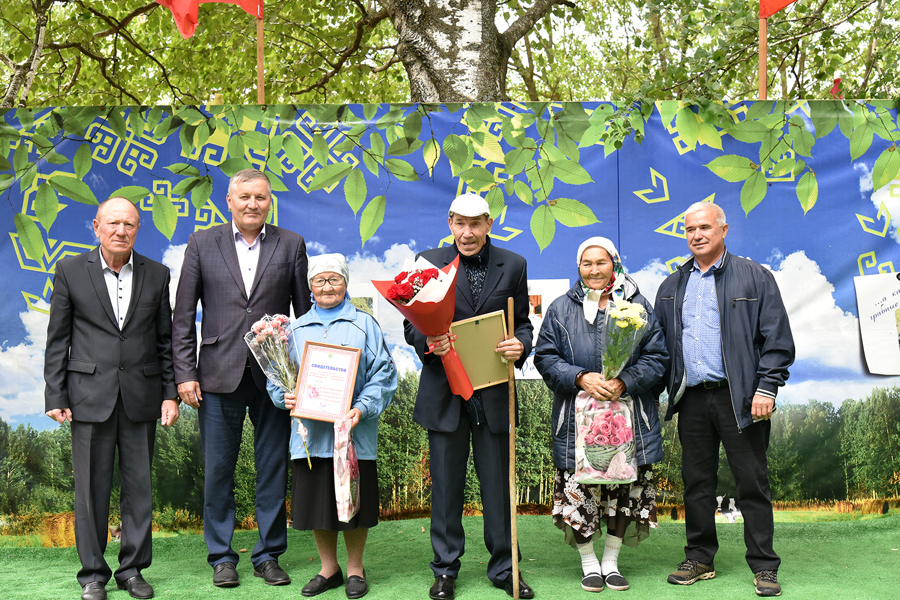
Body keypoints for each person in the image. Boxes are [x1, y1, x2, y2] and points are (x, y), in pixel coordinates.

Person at [172, 168, 311, 588]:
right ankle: (222, 558)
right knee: (218, 471)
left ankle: (268, 555)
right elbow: (182, 317)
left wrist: (302, 376)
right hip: (215, 375)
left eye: (261, 198)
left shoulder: (291, 244)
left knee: (272, 469)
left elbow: (304, 318)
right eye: (245, 196)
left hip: (275, 376)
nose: (253, 204)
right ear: (228, 201)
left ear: (270, 202)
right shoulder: (201, 243)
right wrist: (184, 373)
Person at [653, 202, 794, 598]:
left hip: (743, 400)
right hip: (692, 401)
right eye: (689, 229)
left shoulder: (754, 277)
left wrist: (767, 388)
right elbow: (659, 349)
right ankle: (699, 557)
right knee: (697, 483)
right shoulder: (671, 286)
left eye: (704, 228)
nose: (696, 235)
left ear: (723, 230)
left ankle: (764, 566)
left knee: (752, 482)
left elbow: (777, 340)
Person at [44, 197, 179, 600]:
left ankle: (133, 570)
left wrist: (170, 393)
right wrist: (56, 392)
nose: (122, 231)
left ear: (138, 230)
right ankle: (93, 575)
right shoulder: (69, 270)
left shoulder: (158, 274)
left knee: (139, 489)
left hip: (142, 394)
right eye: (114, 223)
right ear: (96, 227)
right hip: (87, 396)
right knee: (90, 491)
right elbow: (58, 339)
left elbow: (164, 341)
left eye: (130, 224)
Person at [403, 193, 535, 600]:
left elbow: (525, 325)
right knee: (446, 488)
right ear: (449, 222)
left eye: (476, 224)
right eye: (460, 223)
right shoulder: (427, 262)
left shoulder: (513, 265)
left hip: (494, 392)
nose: (467, 232)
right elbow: (411, 326)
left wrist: (521, 346)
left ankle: (504, 569)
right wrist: (429, 341)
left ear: (489, 224)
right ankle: (445, 570)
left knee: (498, 487)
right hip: (445, 395)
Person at [533, 237, 668, 593]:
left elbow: (658, 358)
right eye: (586, 264)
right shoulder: (561, 308)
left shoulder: (637, 306)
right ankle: (589, 563)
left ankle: (611, 561)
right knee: (581, 490)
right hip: (578, 419)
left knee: (623, 488)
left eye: (601, 262)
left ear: (615, 263)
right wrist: (579, 377)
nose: (594, 270)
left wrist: (624, 381)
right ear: (578, 267)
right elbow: (545, 358)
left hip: (629, 416)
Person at [267, 254, 397, 599]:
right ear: (310, 286)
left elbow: (384, 374)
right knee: (317, 505)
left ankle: (355, 568)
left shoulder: (364, 325)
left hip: (353, 434)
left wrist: (361, 408)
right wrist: (287, 398)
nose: (327, 287)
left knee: (353, 503)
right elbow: (276, 381)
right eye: (320, 280)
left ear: (346, 283)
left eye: (334, 280)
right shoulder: (294, 330)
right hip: (309, 438)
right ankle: (330, 569)